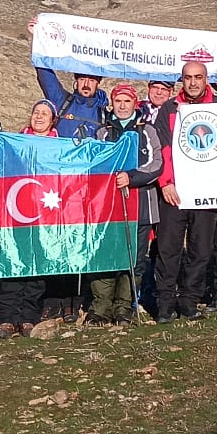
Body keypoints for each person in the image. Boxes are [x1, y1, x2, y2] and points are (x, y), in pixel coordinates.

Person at [151, 61, 217, 322]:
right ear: (182, 80)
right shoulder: (169, 109)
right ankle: (165, 304)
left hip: (206, 192)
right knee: (168, 249)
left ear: (206, 79)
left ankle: (189, 300)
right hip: (174, 191)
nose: (193, 82)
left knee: (200, 249)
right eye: (188, 78)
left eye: (198, 77)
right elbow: (163, 148)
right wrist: (166, 182)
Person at [91, 83, 163, 325]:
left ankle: (124, 306)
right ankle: (101, 307)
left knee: (135, 259)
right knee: (107, 255)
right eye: (118, 101)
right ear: (112, 104)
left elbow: (156, 164)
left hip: (141, 203)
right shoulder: (102, 132)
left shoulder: (147, 130)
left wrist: (131, 178)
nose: (122, 106)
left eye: (127, 101)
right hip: (108, 206)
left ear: (135, 103)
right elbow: (95, 164)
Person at [0, 100, 59, 336]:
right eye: (36, 112)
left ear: (52, 120)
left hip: (46, 213)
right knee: (13, 260)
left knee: (36, 264)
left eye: (45, 114)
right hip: (16, 211)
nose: (39, 117)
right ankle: (7, 316)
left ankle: (28, 316)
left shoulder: (60, 146)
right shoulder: (15, 142)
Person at [36, 66, 107, 139]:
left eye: (91, 80)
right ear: (76, 81)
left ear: (98, 83)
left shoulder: (104, 115)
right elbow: (45, 74)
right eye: (82, 79)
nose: (86, 84)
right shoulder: (62, 101)